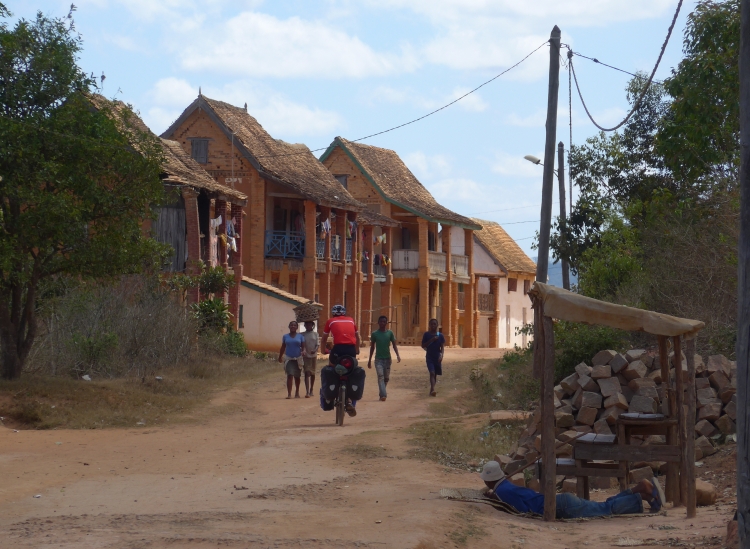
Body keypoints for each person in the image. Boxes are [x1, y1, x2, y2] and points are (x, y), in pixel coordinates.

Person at [479, 461, 665, 519]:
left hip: (561, 507)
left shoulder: (502, 492)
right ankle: (641, 493)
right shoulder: (505, 485)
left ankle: (641, 490)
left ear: (489, 481)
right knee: (603, 506)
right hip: (562, 502)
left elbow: (522, 510)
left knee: (605, 510)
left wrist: (497, 500)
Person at [320, 305, 361, 416]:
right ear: (344, 313)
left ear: (333, 314)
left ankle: (331, 394)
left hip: (338, 348)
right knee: (351, 370)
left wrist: (323, 350)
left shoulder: (330, 321)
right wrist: (356, 350)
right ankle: (348, 400)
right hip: (351, 350)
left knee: (332, 367)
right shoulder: (351, 320)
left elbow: (324, 338)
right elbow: (357, 337)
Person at [367, 315, 400, 401]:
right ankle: (383, 395)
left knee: (386, 378)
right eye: (380, 321)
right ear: (378, 323)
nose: (382, 323)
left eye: (384, 322)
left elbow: (394, 345)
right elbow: (372, 347)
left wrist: (397, 355)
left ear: (386, 323)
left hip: (387, 359)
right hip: (378, 359)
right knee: (380, 376)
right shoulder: (375, 334)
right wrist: (369, 360)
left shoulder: (390, 333)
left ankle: (382, 391)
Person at [278, 320, 305, 399]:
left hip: (298, 359)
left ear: (297, 327)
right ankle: (289, 394)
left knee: (297, 376)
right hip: (289, 358)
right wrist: (280, 357)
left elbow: (303, 346)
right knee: (290, 375)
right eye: (291, 325)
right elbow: (283, 347)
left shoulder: (300, 336)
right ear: (289, 327)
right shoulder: (285, 336)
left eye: (294, 325)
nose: (293, 326)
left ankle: (297, 392)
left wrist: (303, 351)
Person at [421, 318, 445, 397]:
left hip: (437, 357)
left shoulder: (440, 336)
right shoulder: (426, 335)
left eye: (434, 324)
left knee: (435, 374)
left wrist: (441, 355)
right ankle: (433, 390)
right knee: (432, 372)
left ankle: (432, 389)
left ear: (437, 325)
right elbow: (423, 345)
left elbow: (442, 347)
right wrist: (431, 340)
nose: (433, 325)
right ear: (429, 325)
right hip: (429, 357)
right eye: (432, 324)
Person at [301, 321, 319, 398]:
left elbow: (317, 344)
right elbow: (301, 344)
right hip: (305, 356)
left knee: (312, 373)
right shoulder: (302, 334)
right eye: (307, 324)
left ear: (312, 325)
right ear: (305, 326)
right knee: (307, 373)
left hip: (313, 356)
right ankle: (307, 391)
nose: (308, 326)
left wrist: (315, 350)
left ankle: (311, 389)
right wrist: (303, 350)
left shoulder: (315, 334)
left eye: (310, 324)